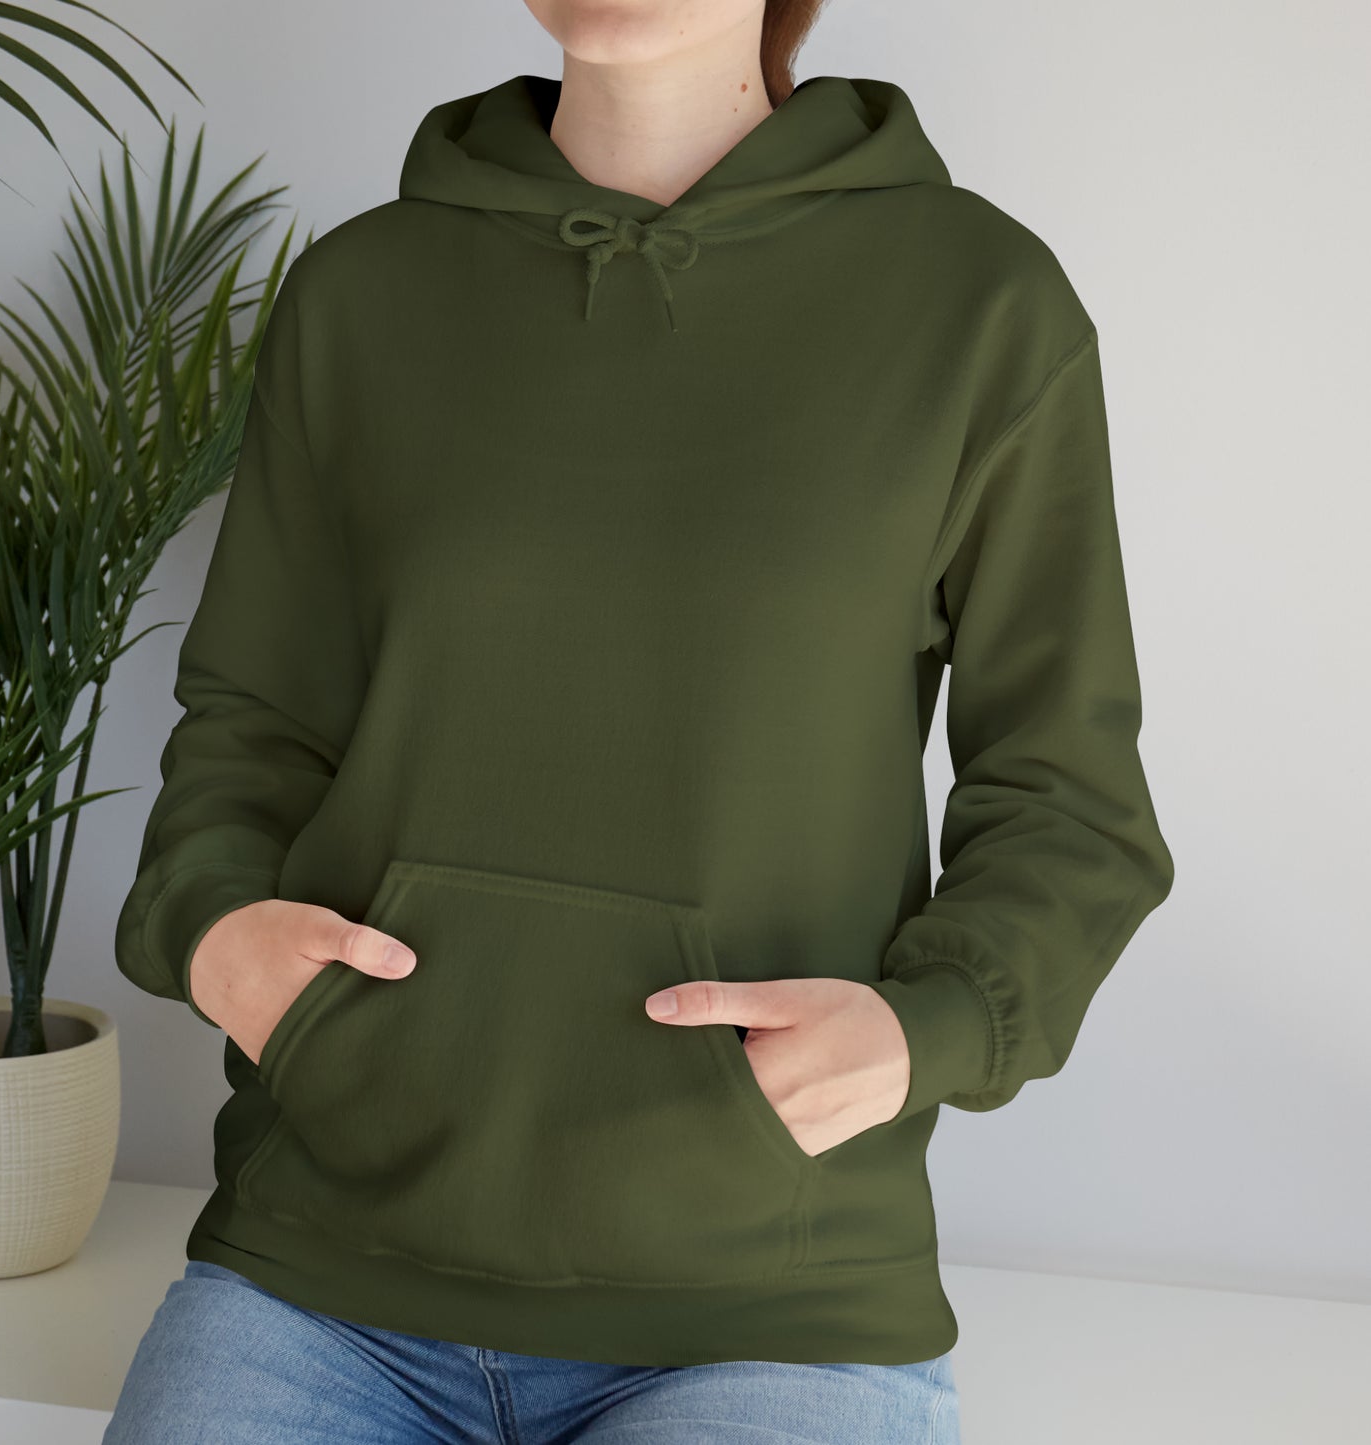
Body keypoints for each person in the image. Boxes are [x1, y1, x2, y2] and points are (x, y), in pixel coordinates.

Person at [106, 0, 1175, 1439]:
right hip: (325, 1273)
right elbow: (254, 714)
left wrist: (931, 1027)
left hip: (767, 1302)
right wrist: (215, 931)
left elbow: (1067, 795)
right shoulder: (364, 291)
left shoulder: (979, 305)